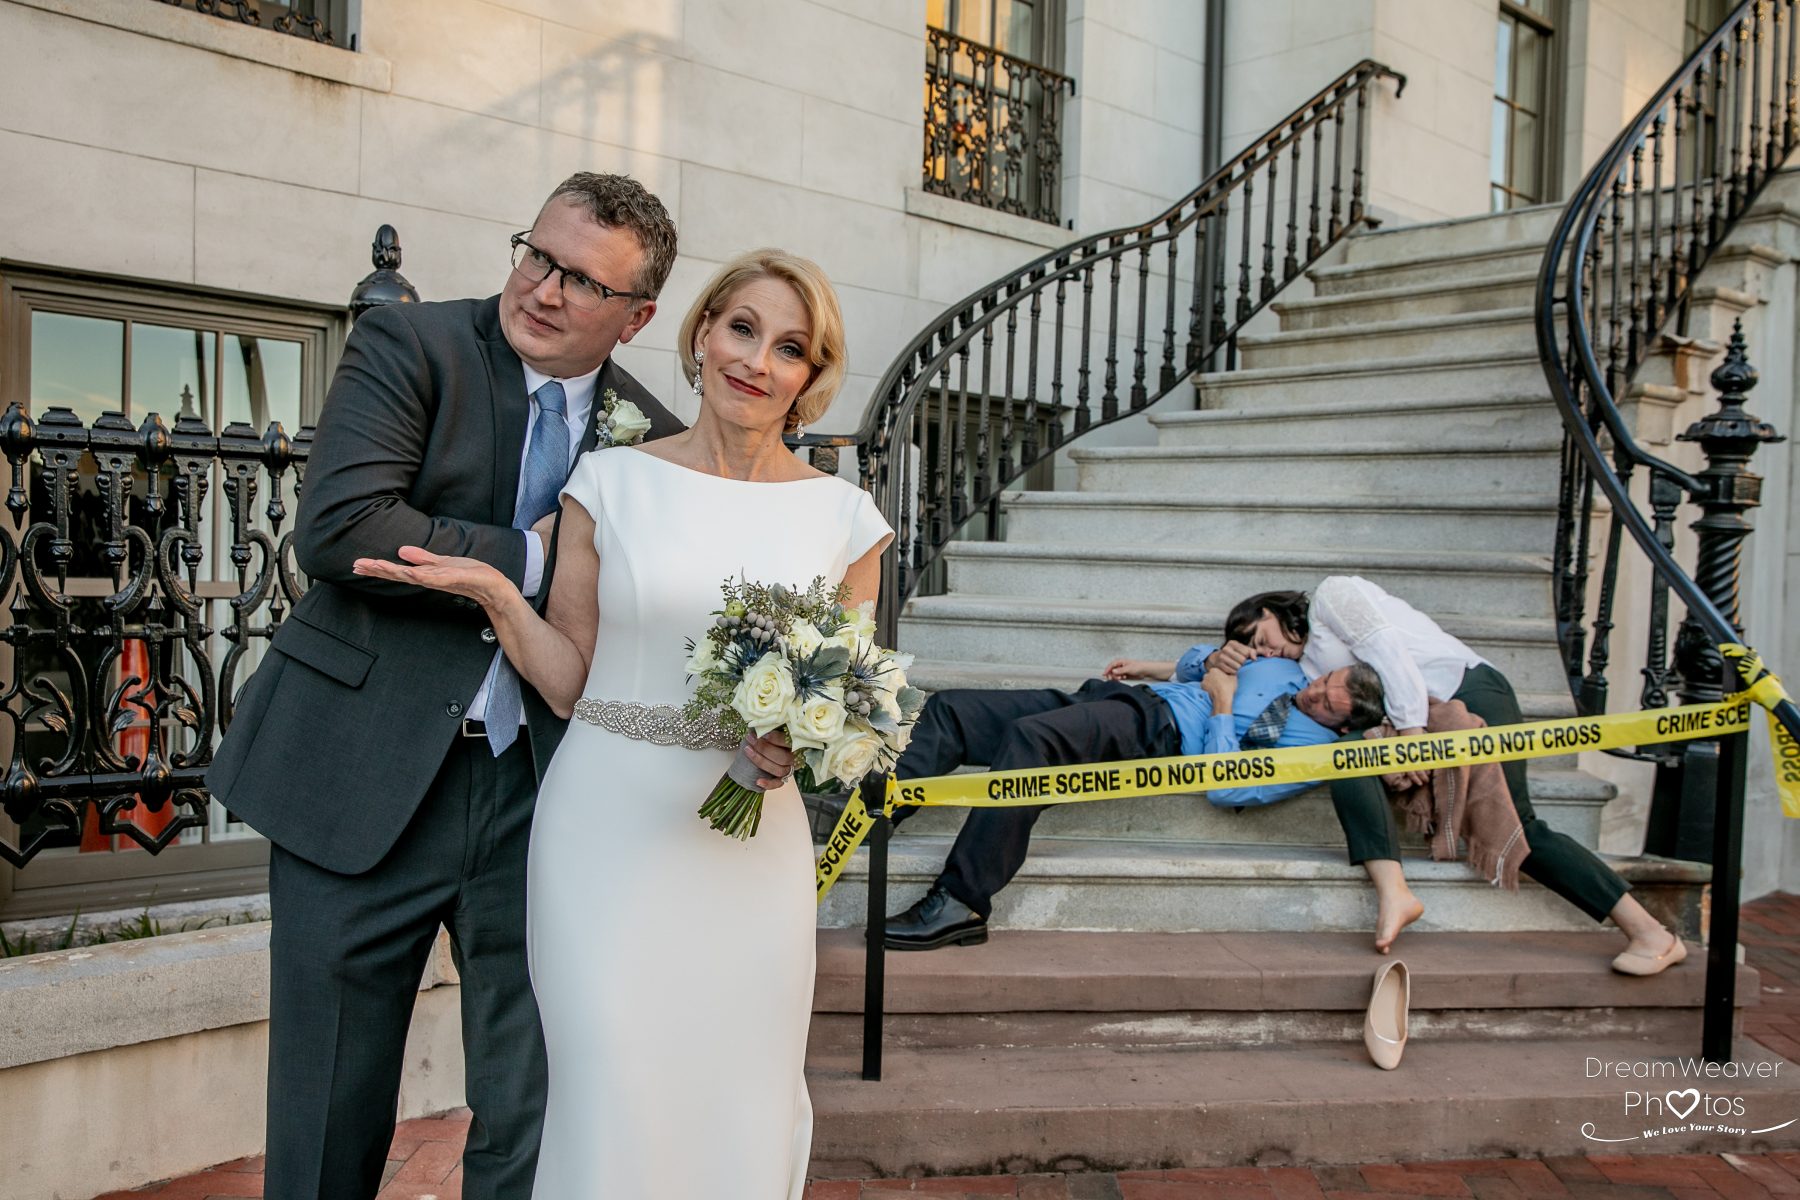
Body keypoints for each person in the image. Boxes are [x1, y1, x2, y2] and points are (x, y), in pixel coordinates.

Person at [353, 248, 893, 1200]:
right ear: (701, 333)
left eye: (790, 348)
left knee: (740, 1089)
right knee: (608, 1085)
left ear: (811, 377)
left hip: (748, 849)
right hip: (603, 832)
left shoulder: (845, 521)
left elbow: (846, 691)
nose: (757, 361)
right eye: (742, 328)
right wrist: (493, 592)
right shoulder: (607, 482)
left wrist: (796, 742)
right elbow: (566, 682)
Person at [206, 174, 684, 1200]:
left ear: (636, 317)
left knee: (532, 1101)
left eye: (581, 281)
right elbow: (343, 528)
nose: (543, 290)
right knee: (330, 1099)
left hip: (543, 799)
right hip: (358, 774)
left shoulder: (652, 433)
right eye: (536, 254)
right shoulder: (411, 346)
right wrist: (531, 557)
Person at [1223, 576, 1686, 973]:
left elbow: (1390, 655)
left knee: (1517, 824)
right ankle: (1395, 892)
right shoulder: (1305, 669)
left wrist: (1410, 737)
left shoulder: (1334, 596)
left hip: (1467, 694)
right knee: (1349, 759)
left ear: (1272, 609)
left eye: (1256, 632)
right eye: (1251, 648)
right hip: (1416, 719)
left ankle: (1650, 932)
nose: (1261, 648)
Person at [880, 649, 1386, 950]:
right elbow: (1197, 665)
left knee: (1032, 743)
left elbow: (1228, 786)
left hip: (1153, 734)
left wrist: (1224, 705)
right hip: (1122, 697)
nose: (1311, 693)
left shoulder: (1313, 751)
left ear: (1342, 727)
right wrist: (1207, 660)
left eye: (1324, 703)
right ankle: (874, 813)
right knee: (951, 709)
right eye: (1323, 681)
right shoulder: (1283, 669)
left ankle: (962, 902)